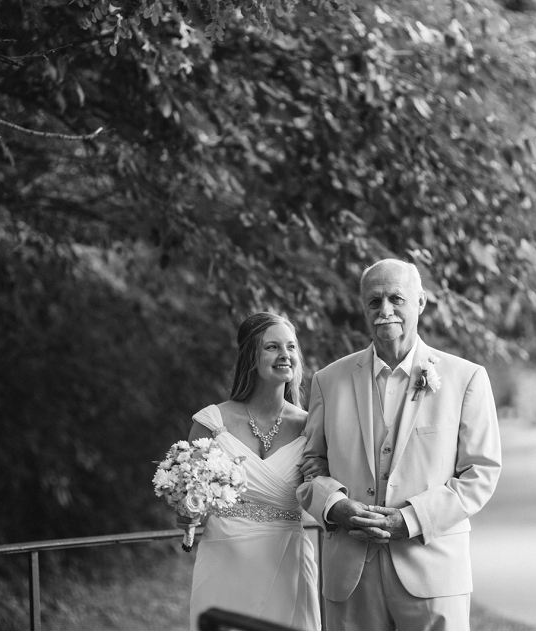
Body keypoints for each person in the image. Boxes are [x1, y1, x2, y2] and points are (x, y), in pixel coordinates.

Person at [296, 259, 502, 631]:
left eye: (396, 298)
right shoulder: (329, 381)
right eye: (374, 302)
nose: (384, 310)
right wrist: (334, 505)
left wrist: (410, 519)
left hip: (433, 570)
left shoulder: (465, 378)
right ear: (363, 308)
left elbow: (481, 473)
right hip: (349, 575)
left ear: (421, 302)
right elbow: (310, 467)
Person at [177, 312, 322, 630]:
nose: (285, 355)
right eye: (273, 347)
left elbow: (327, 488)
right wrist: (187, 511)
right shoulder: (212, 423)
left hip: (288, 561)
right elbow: (187, 492)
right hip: (225, 558)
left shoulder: (311, 426)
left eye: (291, 347)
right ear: (250, 357)